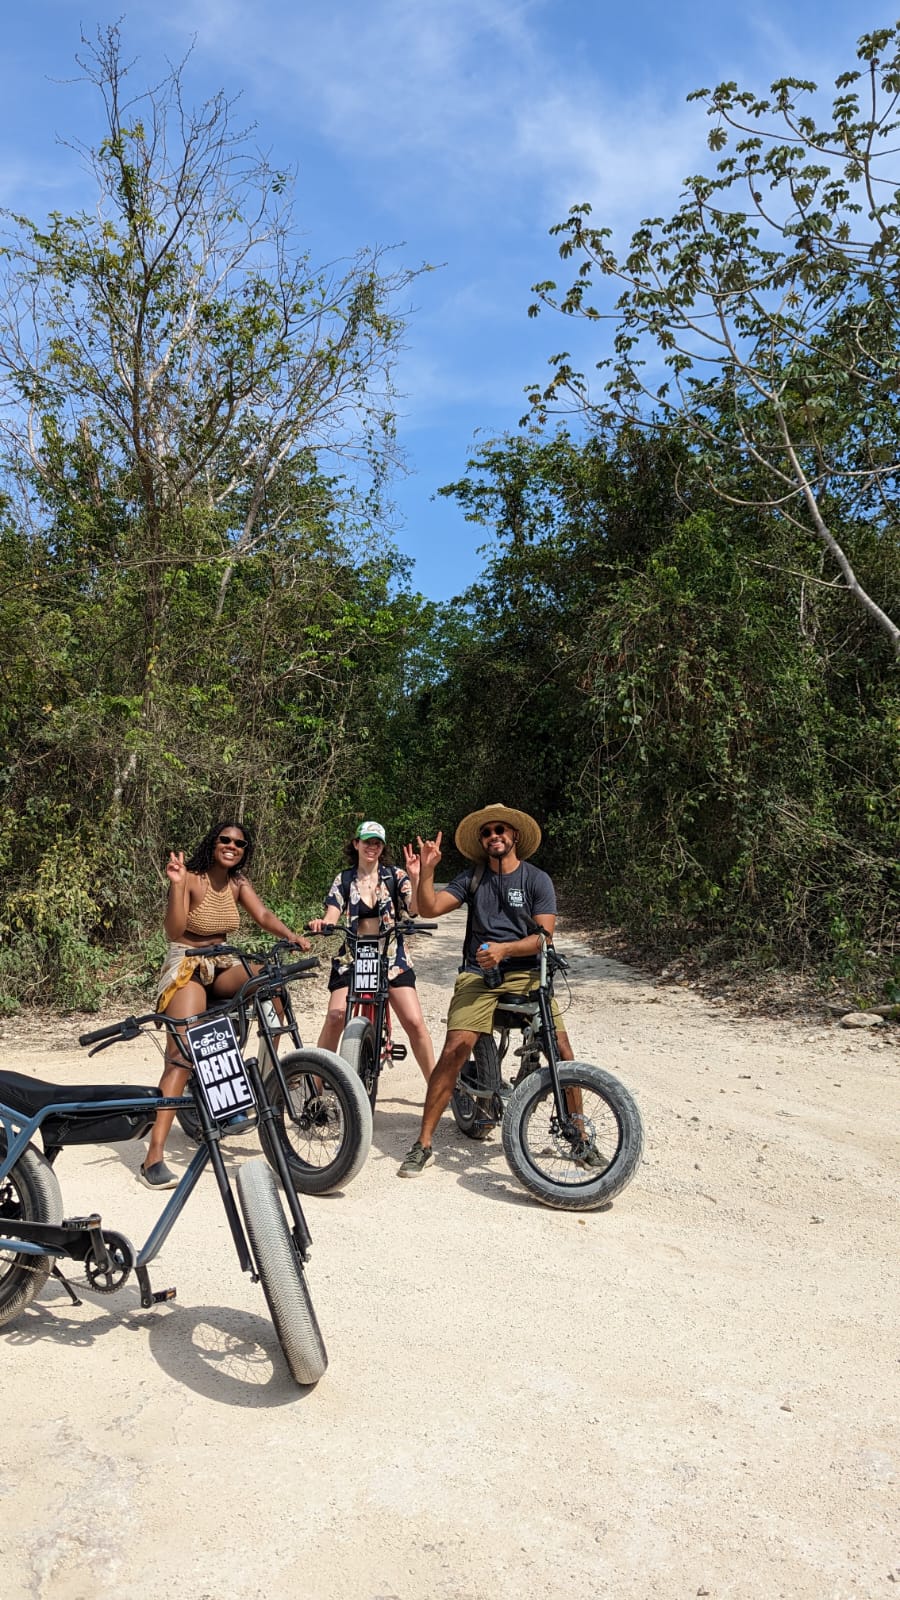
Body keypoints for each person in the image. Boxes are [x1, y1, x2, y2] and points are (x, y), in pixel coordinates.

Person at [397, 803, 575, 1177]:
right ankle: (424, 1142)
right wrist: (427, 871)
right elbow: (428, 908)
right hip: (478, 976)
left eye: (501, 830)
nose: (494, 836)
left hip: (526, 974)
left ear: (514, 837)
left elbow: (544, 937)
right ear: (482, 841)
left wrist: (505, 949)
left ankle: (578, 1133)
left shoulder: (536, 879)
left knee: (562, 1048)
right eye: (487, 832)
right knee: (456, 1045)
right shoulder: (472, 878)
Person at [143, 819, 309, 1190]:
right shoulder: (192, 878)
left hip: (222, 962)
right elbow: (173, 929)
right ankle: (153, 1155)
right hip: (186, 963)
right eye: (225, 839)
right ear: (213, 842)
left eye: (240, 843)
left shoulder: (238, 884)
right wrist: (175, 884)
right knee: (182, 1054)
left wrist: (291, 935)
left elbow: (263, 916)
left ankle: (266, 1078)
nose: (232, 846)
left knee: (274, 982)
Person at [308, 821, 435, 1084]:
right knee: (335, 1016)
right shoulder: (344, 879)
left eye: (377, 843)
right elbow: (332, 913)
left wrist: (415, 876)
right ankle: (316, 1086)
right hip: (353, 958)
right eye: (367, 841)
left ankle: (437, 1086)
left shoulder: (395, 876)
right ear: (356, 844)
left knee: (413, 1021)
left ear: (382, 847)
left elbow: (414, 910)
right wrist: (323, 924)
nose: (371, 847)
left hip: (391, 958)